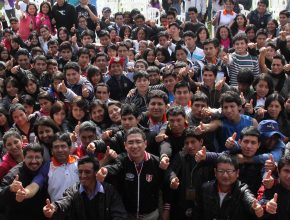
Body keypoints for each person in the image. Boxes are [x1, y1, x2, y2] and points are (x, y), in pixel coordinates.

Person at [96, 127, 170, 220]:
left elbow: (166, 187)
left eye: (138, 142)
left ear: (145, 144)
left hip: (151, 215)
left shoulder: (156, 162)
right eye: (130, 142)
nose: (134, 146)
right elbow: (114, 167)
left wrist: (166, 209)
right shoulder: (122, 159)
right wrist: (105, 171)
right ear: (125, 145)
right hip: (127, 215)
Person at [43, 156, 128, 220]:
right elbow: (64, 201)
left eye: (87, 172)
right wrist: (54, 207)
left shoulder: (109, 191)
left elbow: (119, 215)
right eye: (80, 172)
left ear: (96, 172)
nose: (83, 176)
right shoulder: (73, 190)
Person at [15, 133, 79, 203]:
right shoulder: (48, 166)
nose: (60, 150)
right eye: (56, 147)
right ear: (52, 151)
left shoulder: (79, 163)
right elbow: (35, 184)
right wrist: (25, 193)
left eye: (63, 146)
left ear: (69, 148)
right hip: (58, 210)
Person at [195, 154, 263, 220]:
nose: (225, 175)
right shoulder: (206, 188)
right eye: (221, 171)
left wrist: (256, 208)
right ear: (215, 172)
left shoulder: (242, 190)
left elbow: (250, 200)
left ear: (237, 173)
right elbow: (198, 213)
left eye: (229, 171)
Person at [0, 143, 47, 220]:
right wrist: (10, 189)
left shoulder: (47, 170)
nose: (34, 161)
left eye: (37, 157)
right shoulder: (13, 175)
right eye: (30, 157)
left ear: (42, 159)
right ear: (24, 158)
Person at [257, 154, 290, 220]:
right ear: (278, 171)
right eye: (286, 171)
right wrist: (266, 206)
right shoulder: (269, 184)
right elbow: (258, 203)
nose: (289, 176)